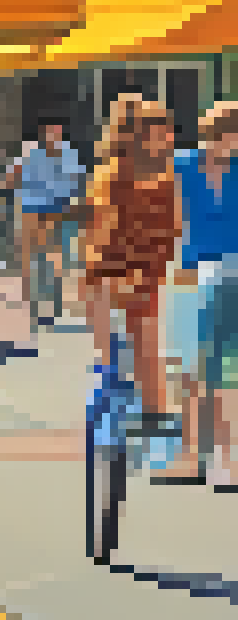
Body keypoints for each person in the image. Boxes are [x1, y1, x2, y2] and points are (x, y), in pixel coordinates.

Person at [80, 95, 182, 440]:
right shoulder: (116, 176)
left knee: (143, 341)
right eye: (160, 130)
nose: (168, 135)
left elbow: (172, 230)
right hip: (115, 271)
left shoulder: (164, 177)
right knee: (123, 343)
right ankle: (118, 401)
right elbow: (106, 230)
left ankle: (150, 411)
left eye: (167, 129)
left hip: (142, 272)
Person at [171, 103, 238, 486]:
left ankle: (226, 459)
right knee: (190, 370)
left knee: (224, 371)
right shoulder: (182, 166)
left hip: (232, 274)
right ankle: (192, 456)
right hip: (190, 275)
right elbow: (169, 219)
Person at [5, 120, 85, 322]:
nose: (52, 138)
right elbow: (9, 182)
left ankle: (54, 302)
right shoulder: (31, 154)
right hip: (32, 210)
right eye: (49, 134)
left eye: (55, 134)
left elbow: (78, 185)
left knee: (55, 258)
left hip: (57, 212)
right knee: (30, 257)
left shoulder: (69, 155)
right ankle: (33, 302)